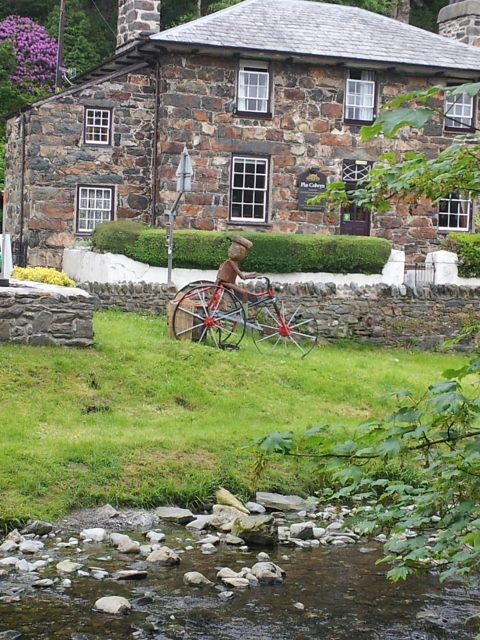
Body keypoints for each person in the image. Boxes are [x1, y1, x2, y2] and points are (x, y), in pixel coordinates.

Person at [216, 235, 259, 311]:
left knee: (238, 291)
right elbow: (242, 277)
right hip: (225, 282)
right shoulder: (231, 262)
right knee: (244, 292)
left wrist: (253, 275)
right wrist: (253, 276)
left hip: (228, 282)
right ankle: (245, 311)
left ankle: (238, 308)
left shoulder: (231, 262)